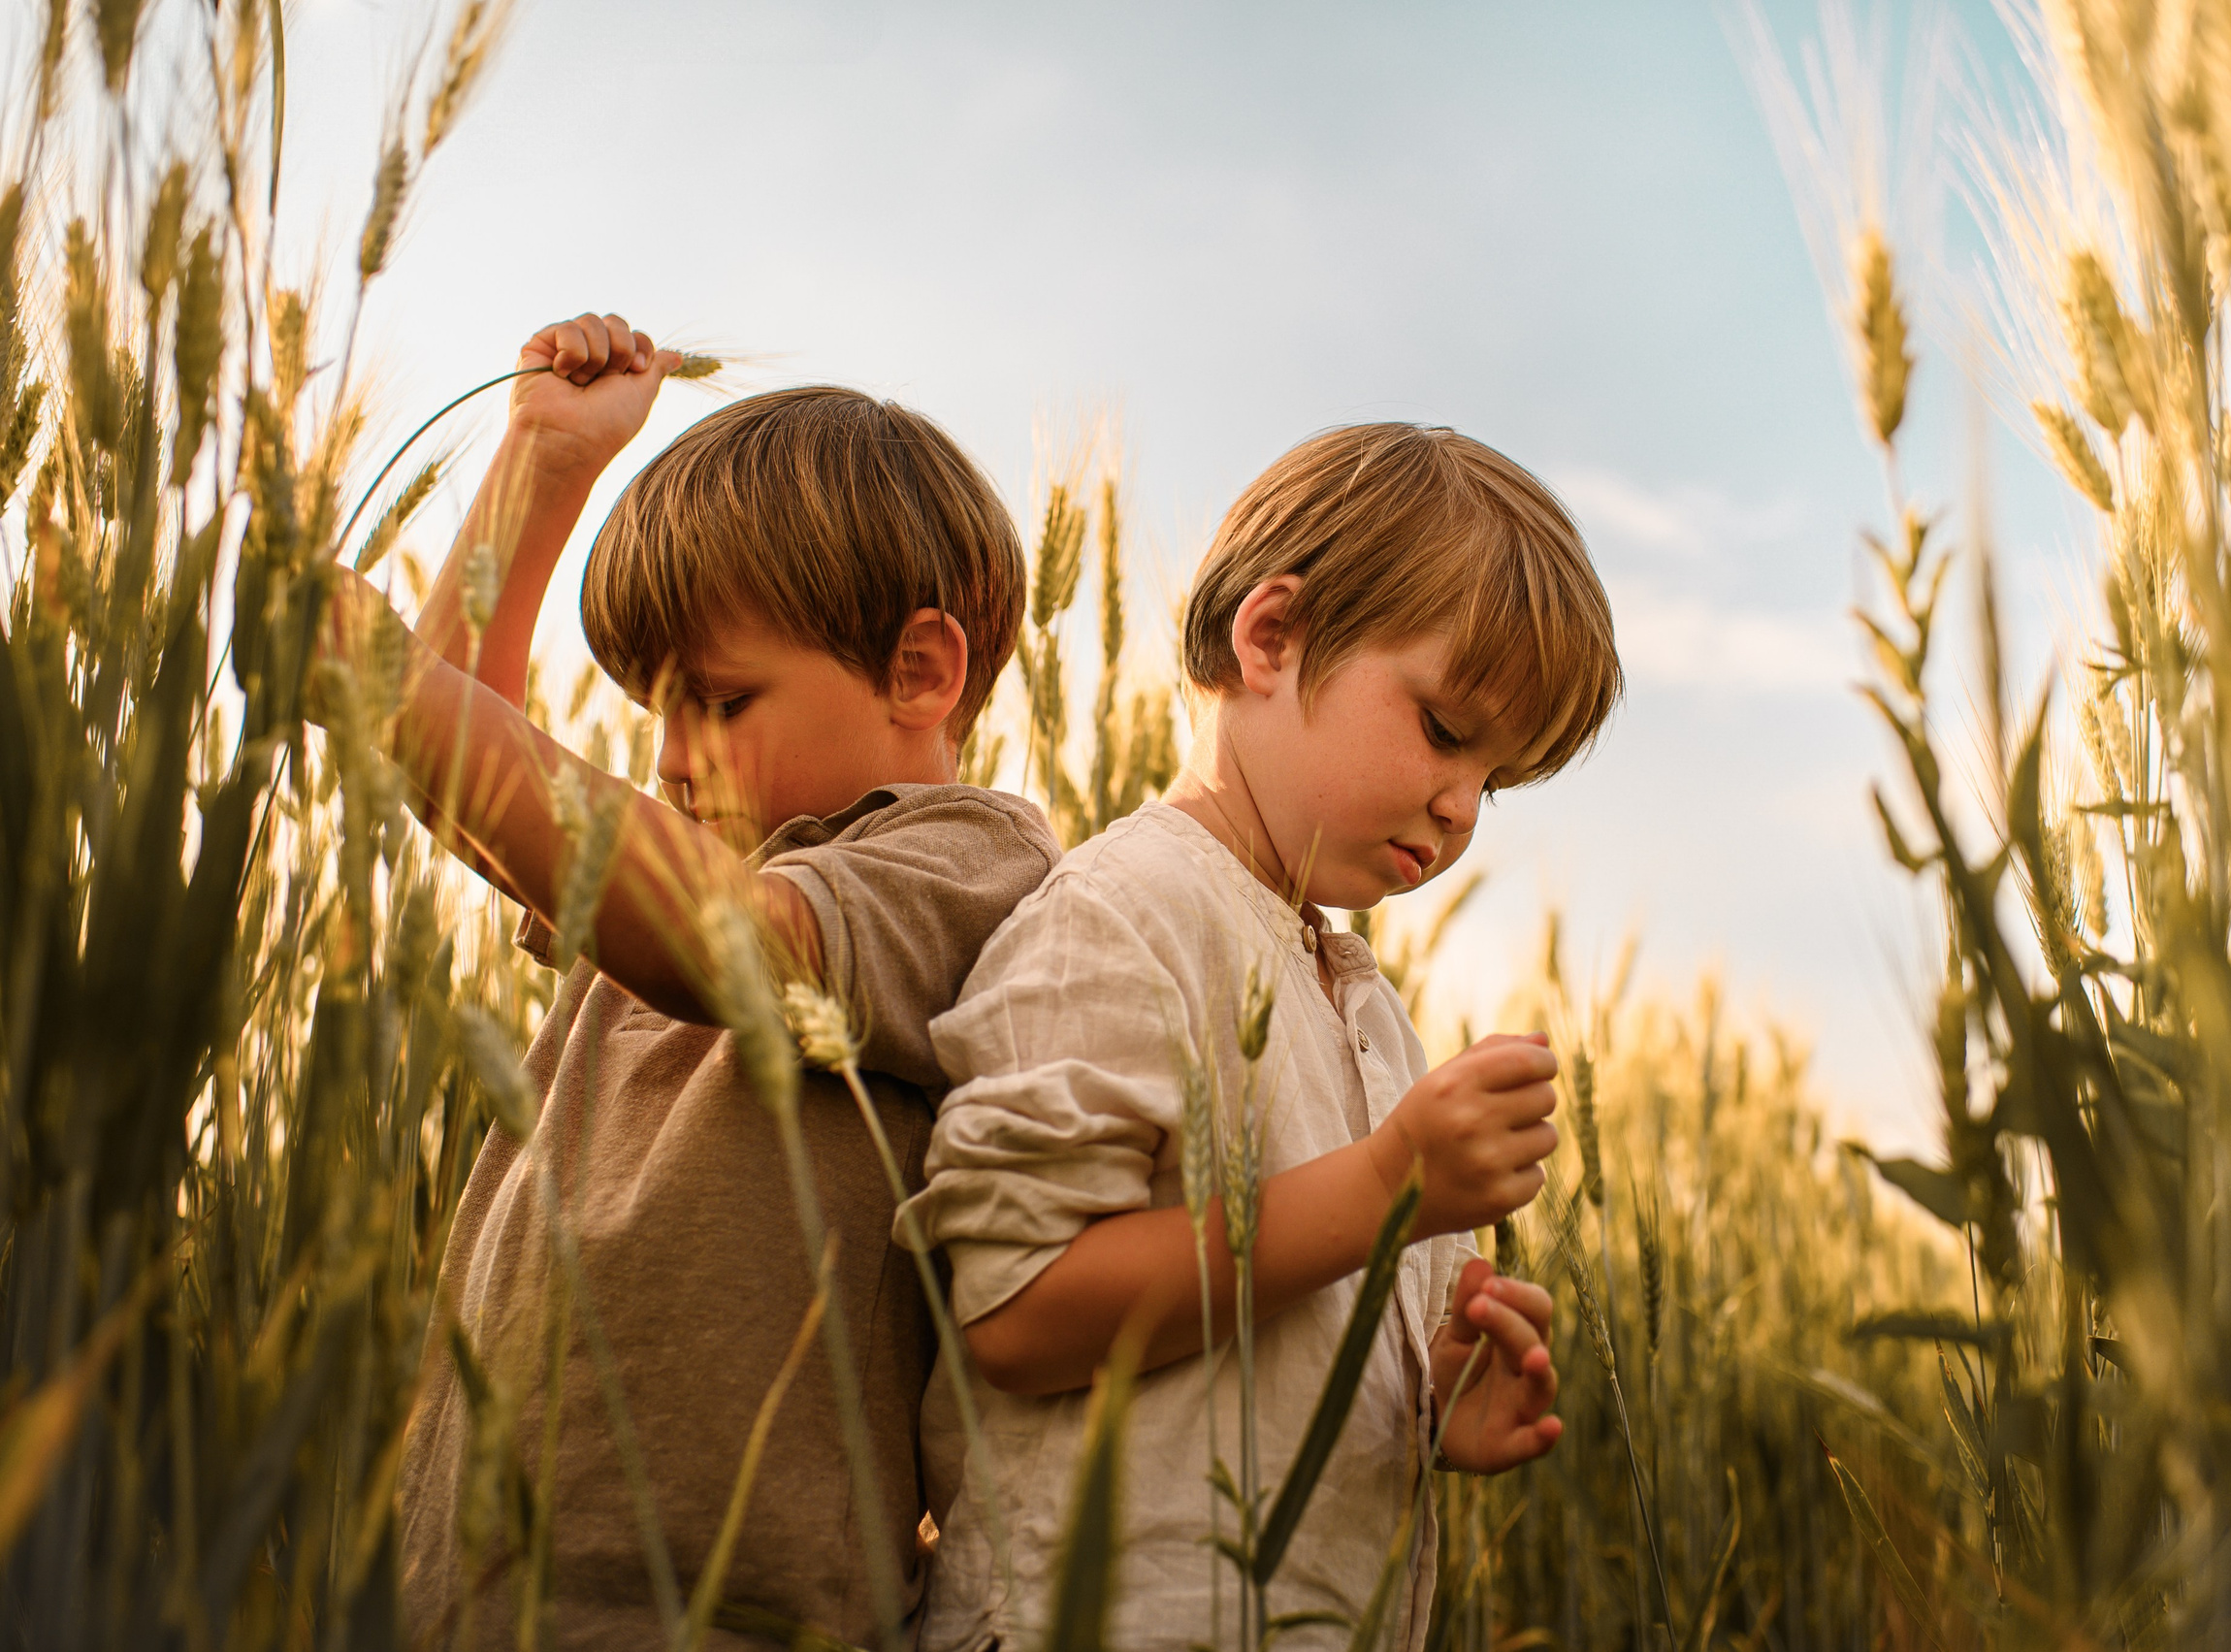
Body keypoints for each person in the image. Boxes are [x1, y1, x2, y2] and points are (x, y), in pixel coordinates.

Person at [323, 314, 1057, 1648]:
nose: (664, 760)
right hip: (475, 1589)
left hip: (720, 1608)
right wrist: (540, 469)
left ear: (920, 670)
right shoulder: (678, 873)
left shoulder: (964, 858)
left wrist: (388, 690)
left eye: (715, 700)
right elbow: (467, 786)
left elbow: (737, 946)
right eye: (650, 712)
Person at [901, 421, 1625, 1652]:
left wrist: (1436, 1391)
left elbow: (1303, 1345)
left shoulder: (1368, 1007)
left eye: (1495, 781)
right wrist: (1385, 1184)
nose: (1460, 809)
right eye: (1448, 730)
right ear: (1271, 636)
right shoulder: (1122, 914)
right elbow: (1015, 1312)